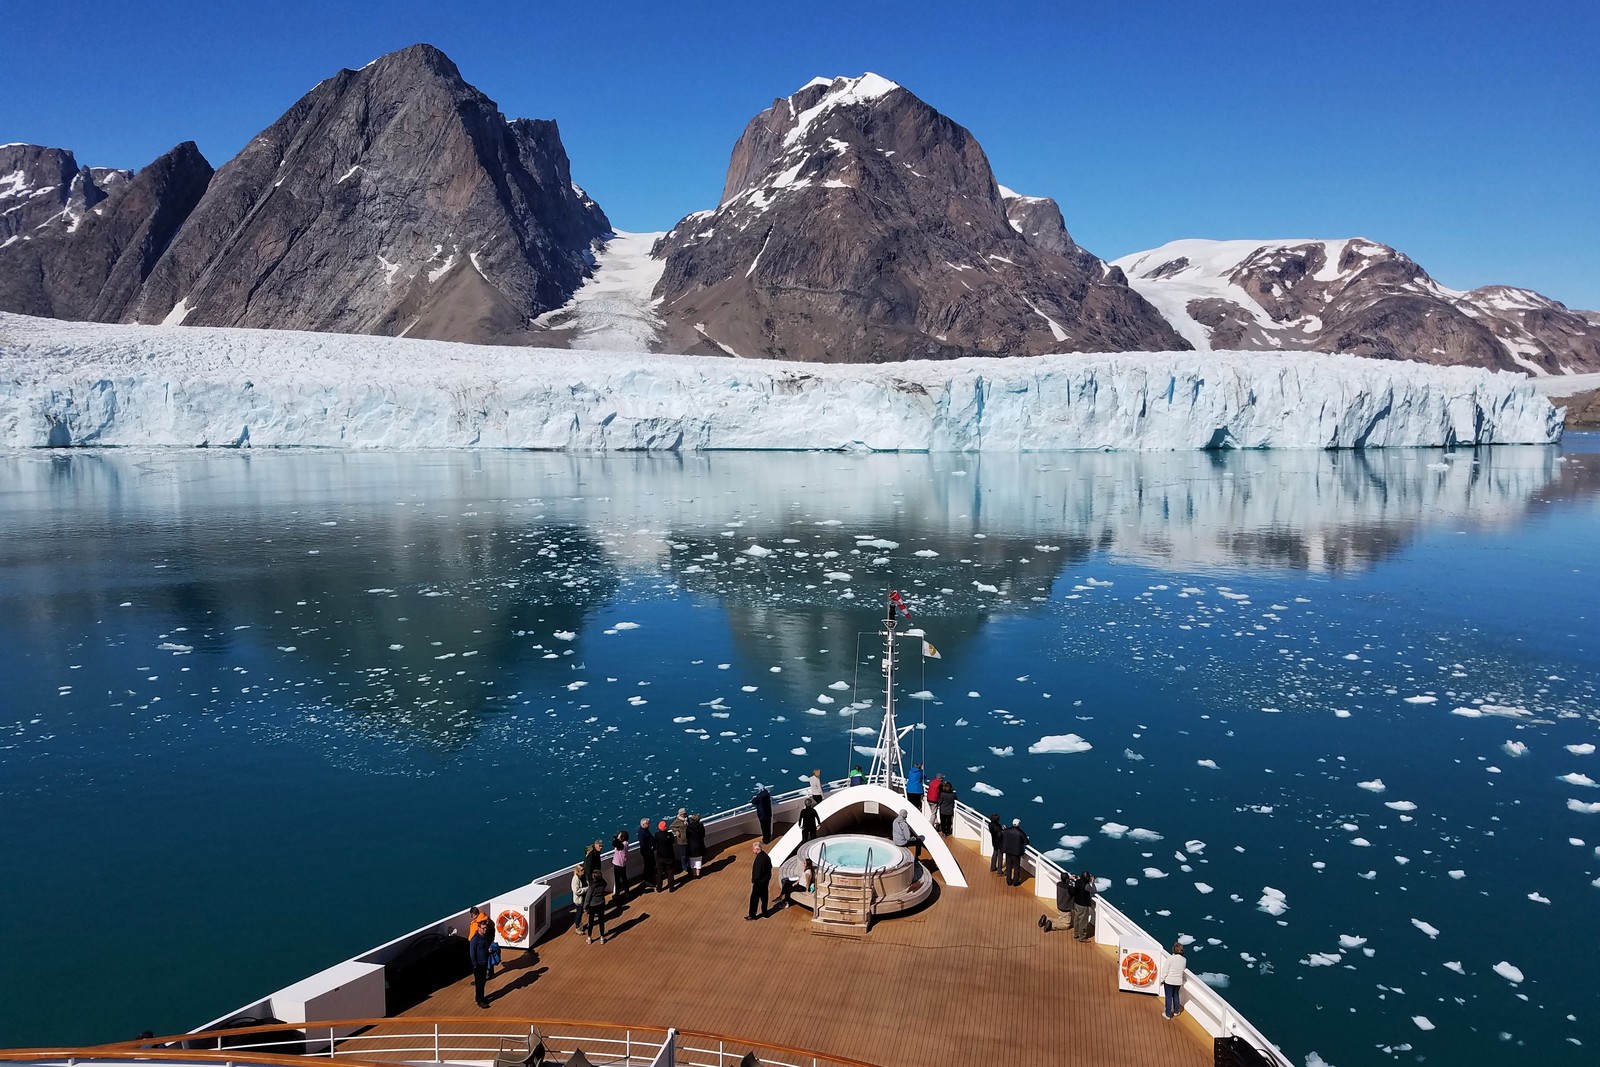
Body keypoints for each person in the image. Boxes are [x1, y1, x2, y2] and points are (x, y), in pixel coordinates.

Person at [467, 906, 493, 1008]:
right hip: (478, 964)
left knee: (483, 981)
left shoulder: (485, 937)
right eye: (483, 929)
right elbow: (472, 952)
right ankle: (479, 1000)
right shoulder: (475, 939)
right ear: (479, 928)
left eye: (485, 928)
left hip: (484, 961)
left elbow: (486, 946)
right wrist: (475, 964)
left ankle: (481, 997)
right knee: (479, 982)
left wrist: (489, 950)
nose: (485, 930)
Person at [1159, 942, 1188, 1019]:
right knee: (1176, 995)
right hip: (1178, 982)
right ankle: (1176, 1011)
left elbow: (1165, 970)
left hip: (1169, 981)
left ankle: (1168, 1014)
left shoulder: (1170, 958)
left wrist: (1162, 980)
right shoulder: (1184, 960)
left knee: (1168, 997)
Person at [1000, 818, 1029, 886]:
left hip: (1008, 851)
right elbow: (1026, 842)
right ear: (1019, 824)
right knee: (1016, 867)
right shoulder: (1020, 833)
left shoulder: (1007, 831)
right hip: (1016, 853)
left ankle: (1008, 880)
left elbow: (1002, 835)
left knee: (1009, 865)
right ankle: (1015, 881)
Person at [747, 841, 772, 920]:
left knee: (754, 898)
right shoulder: (766, 856)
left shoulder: (759, 859)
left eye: (753, 849)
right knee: (764, 897)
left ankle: (752, 915)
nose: (753, 851)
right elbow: (770, 867)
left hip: (759, 882)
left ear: (756, 849)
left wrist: (754, 880)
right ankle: (765, 913)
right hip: (765, 881)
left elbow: (757, 872)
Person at [1071, 871, 1098, 941]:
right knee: (1083, 921)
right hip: (1083, 905)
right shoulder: (1086, 886)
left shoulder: (1077, 882)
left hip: (1076, 903)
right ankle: (1081, 937)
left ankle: (1076, 934)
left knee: (1076, 918)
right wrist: (1092, 883)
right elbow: (1094, 891)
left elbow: (1078, 879)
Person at [585, 870, 609, 944]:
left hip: (592, 905)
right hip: (601, 903)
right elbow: (605, 883)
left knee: (591, 922)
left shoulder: (592, 887)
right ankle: (602, 937)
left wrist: (585, 907)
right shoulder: (603, 884)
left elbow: (587, 898)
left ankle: (589, 938)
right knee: (601, 921)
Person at [653, 819, 677, 893]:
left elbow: (654, 842)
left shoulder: (657, 835)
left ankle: (659, 888)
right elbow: (673, 841)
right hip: (669, 856)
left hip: (660, 856)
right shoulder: (669, 835)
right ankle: (671, 887)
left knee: (659, 872)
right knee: (670, 871)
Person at [611, 829, 631, 901]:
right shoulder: (626, 843)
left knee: (617, 879)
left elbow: (616, 844)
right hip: (622, 863)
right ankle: (627, 891)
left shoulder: (623, 844)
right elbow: (615, 844)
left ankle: (617, 894)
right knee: (624, 878)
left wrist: (616, 838)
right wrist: (617, 838)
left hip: (618, 864)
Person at [638, 817, 657, 891]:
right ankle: (648, 880)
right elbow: (643, 844)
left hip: (648, 852)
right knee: (648, 866)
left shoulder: (644, 831)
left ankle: (649, 879)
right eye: (647, 823)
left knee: (650, 865)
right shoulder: (642, 832)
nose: (649, 825)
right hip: (647, 852)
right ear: (643, 824)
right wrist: (650, 848)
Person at [570, 865, 590, 935]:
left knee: (587, 910)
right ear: (578, 871)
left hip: (585, 898)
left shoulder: (584, 877)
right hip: (579, 899)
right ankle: (577, 927)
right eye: (581, 870)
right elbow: (576, 891)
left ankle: (586, 923)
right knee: (579, 912)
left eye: (583, 870)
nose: (583, 872)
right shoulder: (575, 879)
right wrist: (586, 889)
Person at [685, 813, 706, 877]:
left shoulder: (689, 827)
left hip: (691, 845)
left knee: (692, 860)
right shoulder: (701, 826)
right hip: (699, 845)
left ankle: (694, 874)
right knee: (699, 859)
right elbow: (703, 835)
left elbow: (687, 836)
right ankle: (698, 874)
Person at [671, 808, 689, 873]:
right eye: (684, 814)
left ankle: (688, 865)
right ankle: (684, 866)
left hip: (688, 839)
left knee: (688, 853)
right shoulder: (677, 821)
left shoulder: (687, 819)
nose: (685, 815)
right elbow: (671, 826)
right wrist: (677, 831)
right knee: (683, 855)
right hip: (682, 840)